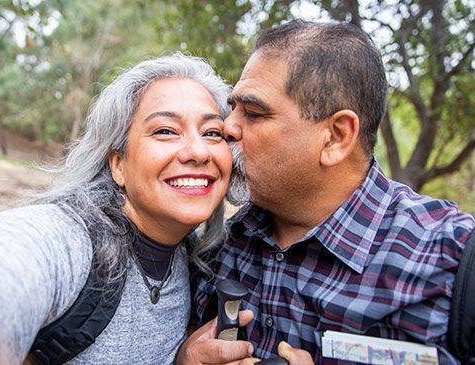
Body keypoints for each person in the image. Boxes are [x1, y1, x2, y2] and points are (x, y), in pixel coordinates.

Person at [186, 20, 475, 365]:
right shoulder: (217, 245)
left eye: (254, 112)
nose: (227, 127)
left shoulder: (453, 261)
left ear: (336, 137)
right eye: (233, 108)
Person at [0, 53, 239, 364]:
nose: (198, 151)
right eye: (165, 130)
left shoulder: (195, 258)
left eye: (212, 133)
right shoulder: (67, 241)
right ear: (118, 163)